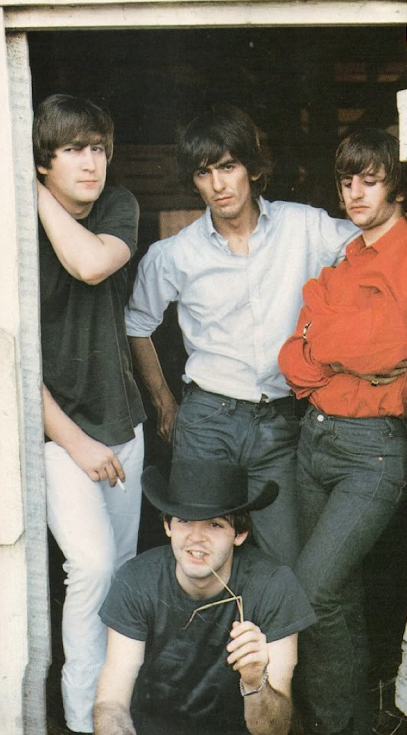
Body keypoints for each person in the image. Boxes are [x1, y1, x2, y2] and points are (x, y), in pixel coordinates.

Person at [124, 105, 361, 568]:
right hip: (207, 420)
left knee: (284, 562)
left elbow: (372, 244)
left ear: (252, 168)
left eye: (228, 166)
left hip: (279, 422)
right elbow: (137, 324)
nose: (218, 184)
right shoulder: (174, 254)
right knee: (200, 560)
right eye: (203, 172)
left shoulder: (304, 226)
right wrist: (164, 403)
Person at [278, 128, 407, 735]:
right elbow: (292, 357)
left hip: (371, 453)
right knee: (340, 597)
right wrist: (333, 346)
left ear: (397, 186)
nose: (355, 193)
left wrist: (323, 337)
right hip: (314, 440)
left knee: (314, 590)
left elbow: (391, 346)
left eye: (370, 179)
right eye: (345, 181)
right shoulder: (346, 255)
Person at [74, 459, 316, 735]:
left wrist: (254, 681)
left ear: (240, 534)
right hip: (158, 732)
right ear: (167, 526)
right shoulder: (137, 581)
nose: (196, 538)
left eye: (215, 525)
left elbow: (274, 730)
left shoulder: (273, 585)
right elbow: (110, 702)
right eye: (184, 520)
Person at [34, 93, 146, 735]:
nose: (91, 163)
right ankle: (81, 727)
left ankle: (117, 709)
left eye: (98, 148)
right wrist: (76, 443)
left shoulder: (116, 206)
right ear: (43, 159)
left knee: (124, 576)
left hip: (121, 424)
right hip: (58, 433)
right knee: (94, 567)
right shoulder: (10, 230)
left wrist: (34, 194)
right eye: (73, 149)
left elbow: (93, 263)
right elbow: (11, 357)